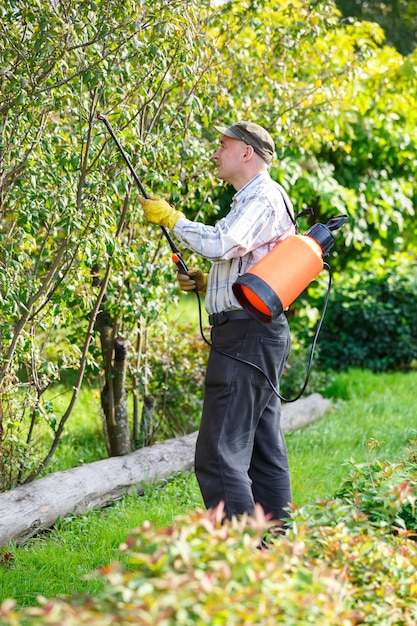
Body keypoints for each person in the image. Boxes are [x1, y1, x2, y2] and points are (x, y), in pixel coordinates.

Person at [139, 121, 295, 525]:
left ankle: (241, 558)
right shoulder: (250, 199)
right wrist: (212, 284)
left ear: (247, 152)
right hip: (256, 333)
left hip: (247, 336)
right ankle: (277, 554)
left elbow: (223, 242)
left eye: (223, 145)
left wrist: (173, 220)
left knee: (217, 454)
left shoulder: (261, 196)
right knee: (263, 451)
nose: (215, 152)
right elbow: (248, 261)